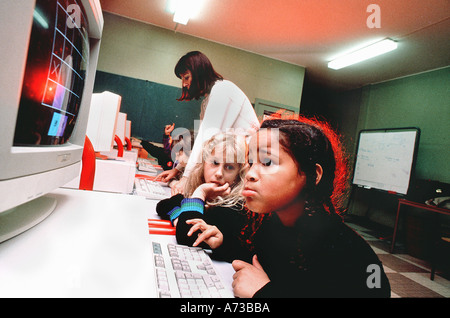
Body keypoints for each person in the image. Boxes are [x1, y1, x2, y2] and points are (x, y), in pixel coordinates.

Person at [187, 114, 391, 298]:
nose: (249, 173)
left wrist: (264, 293)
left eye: (267, 162)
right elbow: (268, 266)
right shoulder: (273, 224)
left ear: (313, 175)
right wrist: (223, 245)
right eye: (250, 162)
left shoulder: (348, 252)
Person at [157, 51, 259, 194]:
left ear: (198, 72)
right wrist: (178, 169)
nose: (184, 84)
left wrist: (186, 178)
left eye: (186, 77)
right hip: (233, 164)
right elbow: (204, 144)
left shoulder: (223, 90)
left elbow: (206, 137)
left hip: (246, 166)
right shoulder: (208, 100)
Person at [155, 132, 249, 249]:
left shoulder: (235, 206)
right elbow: (162, 206)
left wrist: (201, 192)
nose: (219, 173)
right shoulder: (205, 194)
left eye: (229, 167)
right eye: (215, 163)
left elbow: (187, 236)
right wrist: (179, 217)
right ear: (203, 164)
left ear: (237, 175)